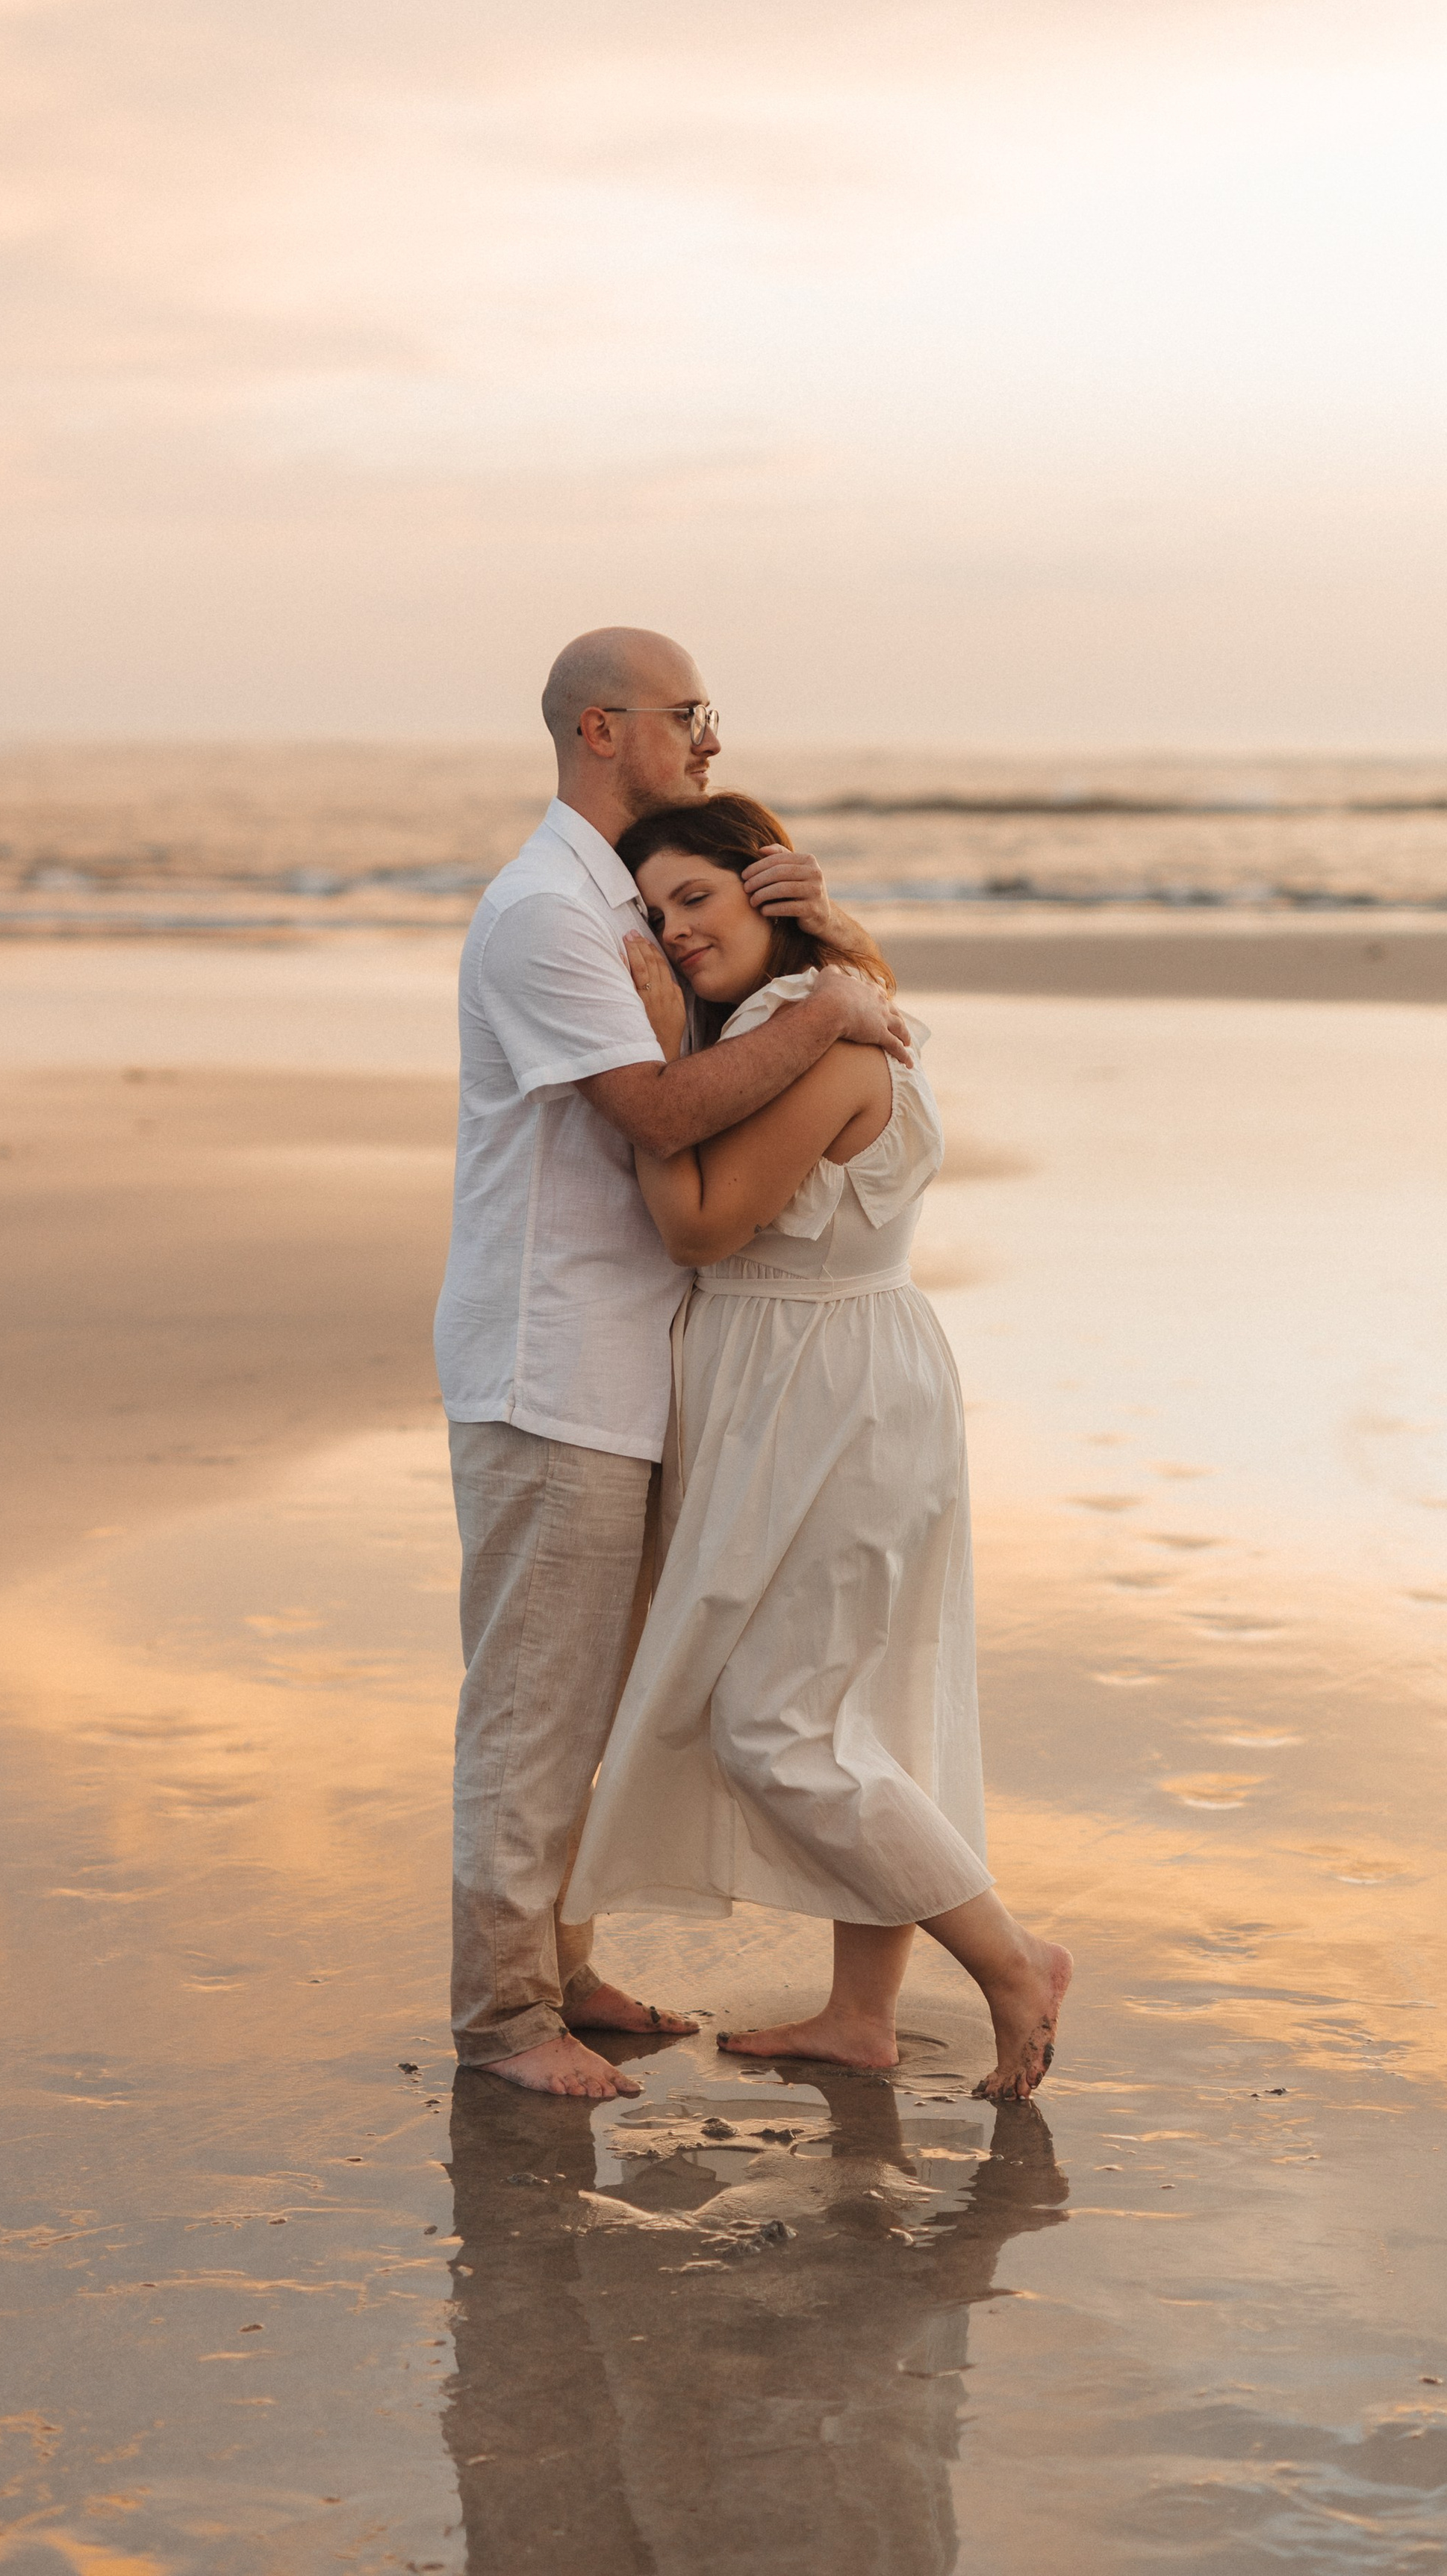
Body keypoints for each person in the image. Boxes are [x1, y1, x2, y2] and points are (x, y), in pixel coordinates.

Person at [435, 628, 912, 2102]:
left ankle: (563, 1974)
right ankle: (504, 2017)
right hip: (552, 1363)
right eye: (685, 716)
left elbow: (726, 1069)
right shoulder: (542, 917)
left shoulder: (623, 898)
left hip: (633, 1368)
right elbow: (656, 1113)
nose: (709, 740)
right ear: (600, 728)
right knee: (534, 1704)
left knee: (594, 1698)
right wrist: (831, 1013)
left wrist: (808, 927)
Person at [563, 791, 1071, 2101]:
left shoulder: (815, 1034)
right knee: (864, 1705)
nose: (674, 934)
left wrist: (658, 1052)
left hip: (825, 1393)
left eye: (699, 901)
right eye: (654, 914)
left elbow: (698, 1225)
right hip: (822, 1378)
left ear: (766, 895)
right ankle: (862, 2016)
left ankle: (1013, 1962)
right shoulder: (809, 1012)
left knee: (777, 1724)